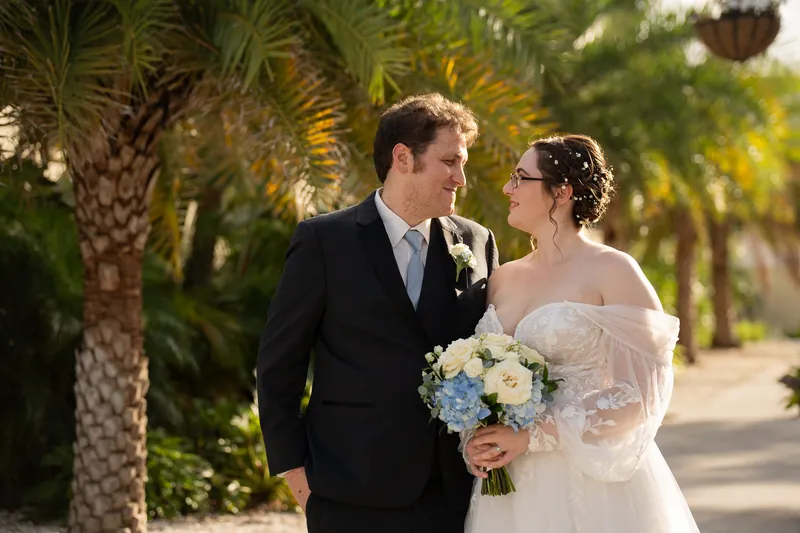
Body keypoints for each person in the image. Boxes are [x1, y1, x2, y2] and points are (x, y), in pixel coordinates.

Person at [257, 93, 500, 533]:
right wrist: (295, 475)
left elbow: (494, 350)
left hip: (450, 491)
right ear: (403, 157)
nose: (461, 178)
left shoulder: (477, 241)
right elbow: (279, 365)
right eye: (450, 161)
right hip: (347, 487)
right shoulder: (323, 242)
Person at [464, 134, 700, 533]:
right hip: (506, 490)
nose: (508, 188)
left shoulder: (614, 270)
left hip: (589, 482)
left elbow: (641, 395)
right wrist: (476, 440)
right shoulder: (502, 277)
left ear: (562, 192)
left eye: (521, 178)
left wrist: (533, 436)